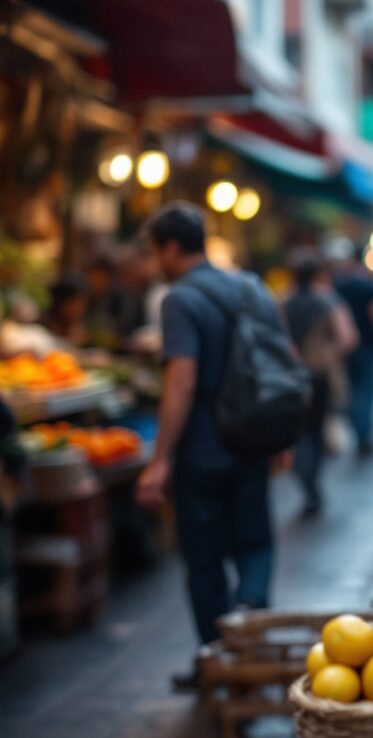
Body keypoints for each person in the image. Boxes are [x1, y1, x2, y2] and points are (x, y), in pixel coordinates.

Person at [134, 203, 281, 688]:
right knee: (255, 543)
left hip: (202, 450)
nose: (156, 260)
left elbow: (181, 380)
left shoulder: (179, 300)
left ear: (171, 247)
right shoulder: (251, 287)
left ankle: (217, 660)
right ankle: (250, 613)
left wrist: (158, 462)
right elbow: (285, 362)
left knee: (204, 560)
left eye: (155, 250)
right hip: (253, 441)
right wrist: (281, 435)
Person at [283, 257, 357, 517]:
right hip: (320, 376)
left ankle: (306, 482)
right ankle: (312, 484)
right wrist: (329, 355)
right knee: (315, 431)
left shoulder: (283, 302)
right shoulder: (327, 301)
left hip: (289, 377)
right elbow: (348, 338)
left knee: (298, 432)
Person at [335, 254, 373, 456]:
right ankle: (363, 433)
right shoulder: (370, 286)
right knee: (365, 392)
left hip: (345, 349)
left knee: (350, 391)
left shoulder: (339, 285)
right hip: (366, 346)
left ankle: (357, 427)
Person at [44, 278, 89, 346]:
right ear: (60, 304)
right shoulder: (39, 331)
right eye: (73, 305)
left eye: (82, 305)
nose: (79, 310)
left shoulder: (77, 331)